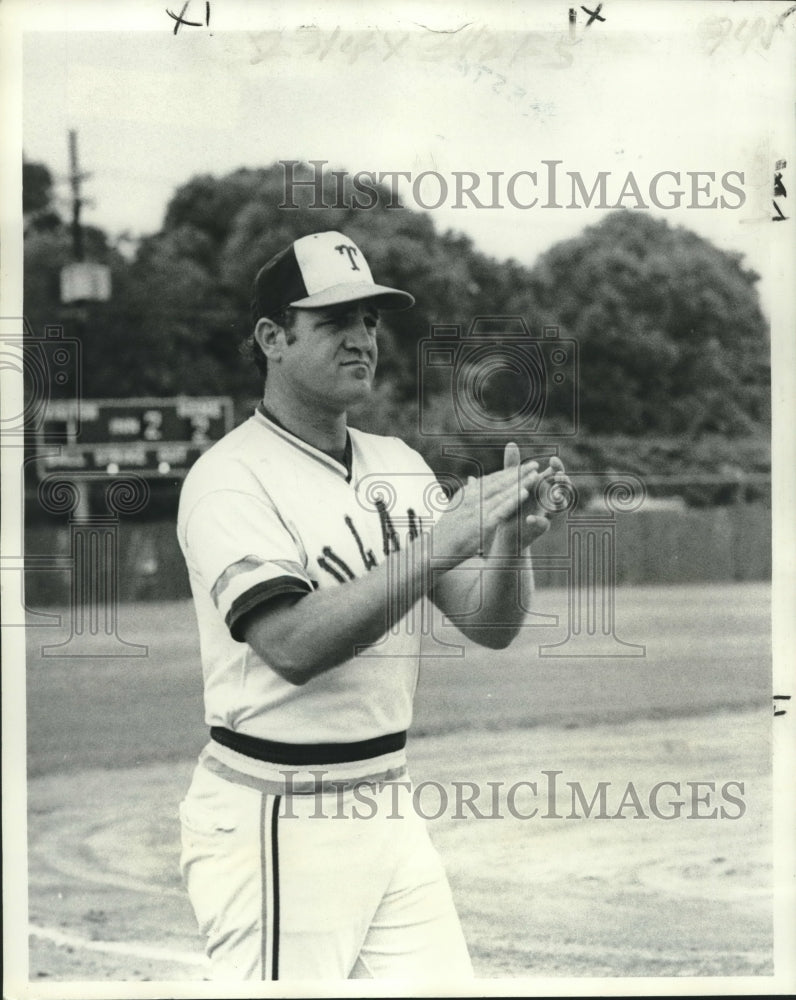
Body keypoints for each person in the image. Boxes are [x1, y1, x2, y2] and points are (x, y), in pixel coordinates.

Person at [176, 229, 568, 981]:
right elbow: (290, 645)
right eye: (335, 321)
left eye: (371, 321)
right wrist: (441, 541)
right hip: (277, 815)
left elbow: (488, 624)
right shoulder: (230, 479)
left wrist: (510, 544)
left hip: (387, 804)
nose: (362, 339)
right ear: (272, 338)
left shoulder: (398, 463)